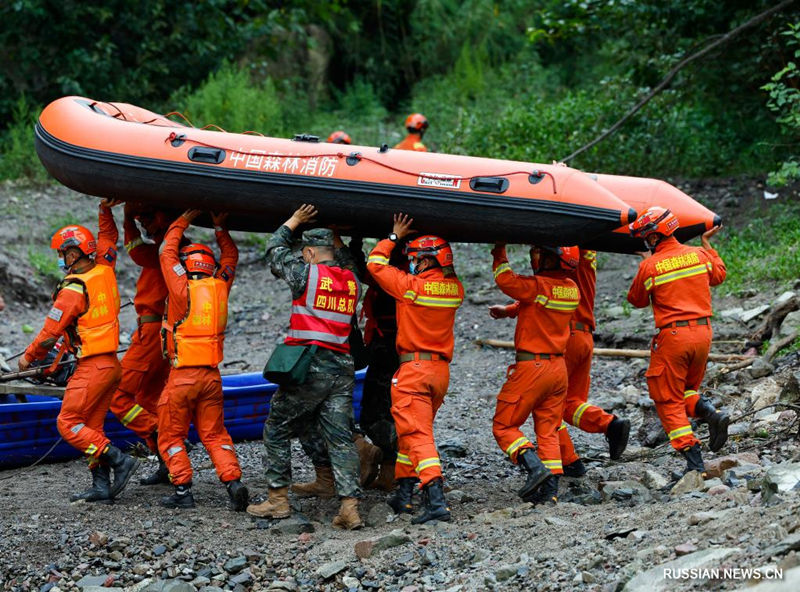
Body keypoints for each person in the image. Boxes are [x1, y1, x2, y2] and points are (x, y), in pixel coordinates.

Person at [247, 205, 364, 530]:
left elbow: (274, 251)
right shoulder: (352, 279)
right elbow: (350, 260)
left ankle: (278, 500)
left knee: (277, 426)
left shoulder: (306, 273)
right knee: (339, 436)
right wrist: (338, 241)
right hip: (342, 369)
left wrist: (294, 221)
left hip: (311, 366)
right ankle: (348, 506)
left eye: (306, 253)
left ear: (310, 252)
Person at [19, 199, 138, 503]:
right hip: (111, 365)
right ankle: (101, 486)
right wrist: (104, 211)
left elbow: (49, 336)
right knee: (92, 426)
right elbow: (108, 240)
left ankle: (119, 460)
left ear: (73, 253)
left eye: (61, 254)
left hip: (93, 367)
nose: (60, 259)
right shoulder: (105, 269)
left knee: (68, 423)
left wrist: (28, 358)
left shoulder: (73, 289)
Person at [366, 215, 464, 524]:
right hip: (440, 373)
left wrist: (393, 237)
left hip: (414, 371)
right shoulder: (455, 289)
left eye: (415, 260)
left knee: (418, 435)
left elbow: (375, 264)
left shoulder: (410, 288)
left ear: (426, 261)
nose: (412, 265)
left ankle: (435, 498)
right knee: (409, 435)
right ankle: (404, 495)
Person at [157, 209, 248, 510]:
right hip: (211, 376)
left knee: (170, 434)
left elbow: (165, 252)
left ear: (188, 266)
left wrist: (183, 218)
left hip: (182, 376)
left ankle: (183, 491)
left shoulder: (181, 288)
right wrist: (220, 227)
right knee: (214, 433)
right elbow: (231, 257)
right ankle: (232, 482)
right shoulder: (220, 285)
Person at [627, 207, 729, 475]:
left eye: (646, 237)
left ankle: (693, 460)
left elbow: (636, 300)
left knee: (667, 398)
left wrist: (646, 263)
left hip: (674, 337)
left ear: (653, 237)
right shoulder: (699, 255)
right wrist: (707, 244)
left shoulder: (650, 266)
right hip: (704, 335)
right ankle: (710, 413)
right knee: (686, 390)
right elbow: (719, 275)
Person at [489, 244, 580, 504]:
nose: (535, 257)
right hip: (557, 369)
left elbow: (506, 280)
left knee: (504, 426)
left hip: (533, 368)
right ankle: (550, 489)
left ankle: (534, 467)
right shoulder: (572, 290)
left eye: (539, 253)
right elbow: (537, 302)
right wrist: (510, 311)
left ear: (552, 259)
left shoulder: (537, 285)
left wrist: (499, 251)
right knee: (548, 429)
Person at [109, 204, 172, 485]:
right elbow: (137, 246)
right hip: (164, 334)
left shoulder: (164, 251)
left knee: (117, 396)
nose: (144, 224)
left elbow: (134, 248)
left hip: (151, 333)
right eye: (141, 219)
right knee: (149, 399)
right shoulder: (171, 248)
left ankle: (159, 432)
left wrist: (122, 215)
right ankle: (168, 464)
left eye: (148, 217)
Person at [556, 249, 630, 475]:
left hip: (565, 337)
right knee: (571, 403)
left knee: (548, 406)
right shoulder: (587, 253)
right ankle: (610, 424)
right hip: (585, 337)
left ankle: (569, 462)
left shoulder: (566, 254)